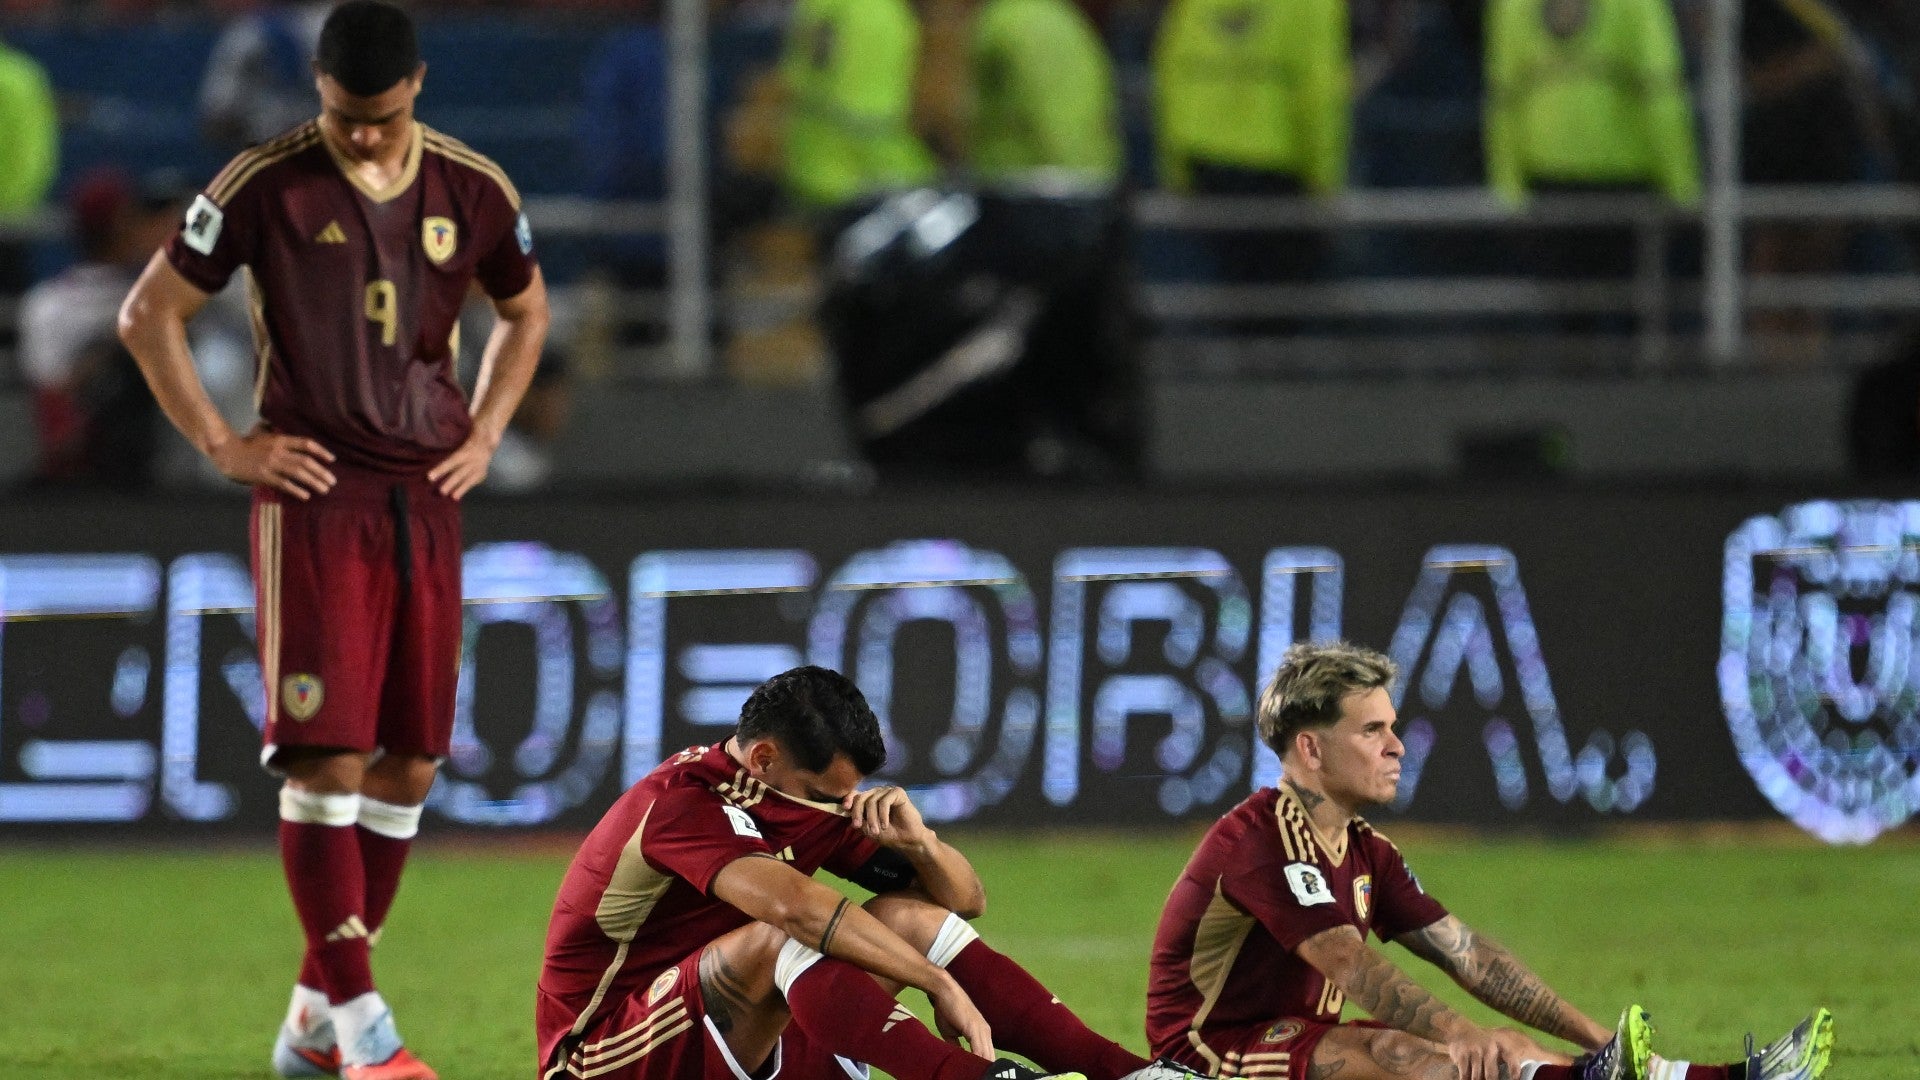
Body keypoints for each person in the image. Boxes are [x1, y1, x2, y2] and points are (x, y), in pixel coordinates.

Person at [117, 3, 550, 1079]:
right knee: (327, 757)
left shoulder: (475, 188)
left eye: (380, 113)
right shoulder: (262, 182)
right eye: (344, 113)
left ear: (418, 84)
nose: (360, 134)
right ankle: (366, 1031)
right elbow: (146, 313)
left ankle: (312, 1022)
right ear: (318, 86)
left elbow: (528, 310)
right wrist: (223, 441)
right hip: (317, 496)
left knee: (408, 764)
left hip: (426, 496)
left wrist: (488, 430)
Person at [1146, 641, 1836, 1080]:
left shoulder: (1364, 851)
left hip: (1302, 1040)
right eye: (1373, 730)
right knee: (1410, 1055)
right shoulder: (1262, 841)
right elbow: (1350, 966)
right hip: (1206, 1055)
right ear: (1311, 750)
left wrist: (1598, 1039)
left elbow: (1468, 955)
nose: (1397, 747)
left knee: (1500, 1048)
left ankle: (1718, 1077)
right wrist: (1457, 1031)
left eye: (1393, 728)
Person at [538, 664, 1186, 1080]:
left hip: (735, 1041)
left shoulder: (799, 796)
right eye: (826, 793)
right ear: (763, 756)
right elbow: (798, 910)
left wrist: (922, 842)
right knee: (787, 932)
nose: (838, 809)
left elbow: (963, 902)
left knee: (910, 917)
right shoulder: (682, 804)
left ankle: (1131, 1075)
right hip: (606, 1054)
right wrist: (936, 985)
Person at [1151, 0, 1349, 326]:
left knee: (1230, 298)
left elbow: (1170, 66)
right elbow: (1319, 90)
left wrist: (1175, 170)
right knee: (1282, 311)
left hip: (1206, 155)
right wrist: (1325, 181)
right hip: (1279, 161)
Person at [17, 168, 189, 486]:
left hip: (163, 470)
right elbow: (55, 403)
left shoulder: (158, 294)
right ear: (122, 226)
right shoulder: (51, 304)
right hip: (92, 469)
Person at [199, 0, 332, 151]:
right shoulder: (343, 26)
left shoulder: (248, 33)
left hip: (269, 151)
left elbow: (218, 115)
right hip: (332, 150)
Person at [0, 32, 58, 295]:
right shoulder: (25, 74)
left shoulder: (20, 77)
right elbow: (39, 155)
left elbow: (34, 150)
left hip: (12, 222)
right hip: (16, 218)